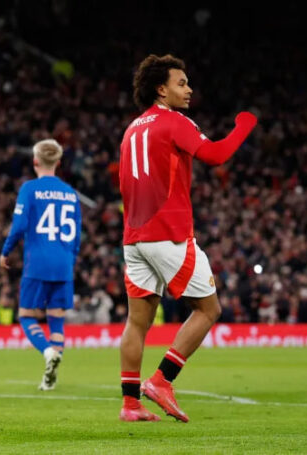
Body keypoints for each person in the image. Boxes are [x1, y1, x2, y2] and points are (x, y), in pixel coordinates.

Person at [117, 54, 257, 422]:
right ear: (161, 90)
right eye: (181, 83)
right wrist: (244, 125)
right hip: (168, 232)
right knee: (209, 309)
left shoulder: (132, 130)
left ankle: (130, 404)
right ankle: (162, 380)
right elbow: (215, 154)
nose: (189, 89)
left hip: (134, 236)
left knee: (137, 322)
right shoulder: (173, 121)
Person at [0, 139, 81, 391]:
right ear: (58, 162)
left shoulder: (30, 189)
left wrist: (6, 251)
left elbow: (19, 226)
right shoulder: (71, 193)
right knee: (56, 320)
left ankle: (47, 352)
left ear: (35, 161)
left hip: (37, 263)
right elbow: (77, 236)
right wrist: (70, 260)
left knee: (26, 315)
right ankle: (49, 376)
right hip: (64, 264)